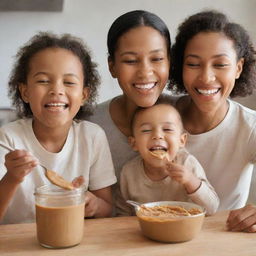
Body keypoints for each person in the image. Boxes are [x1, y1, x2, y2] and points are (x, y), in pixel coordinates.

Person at [0, 32, 117, 224]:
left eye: (69, 82)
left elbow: (107, 209)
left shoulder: (92, 136)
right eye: (43, 81)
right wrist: (12, 177)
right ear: (25, 92)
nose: (57, 90)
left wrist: (92, 204)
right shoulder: (10, 138)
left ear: (84, 95)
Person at [169, 10, 256, 232]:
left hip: (223, 239)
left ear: (238, 68)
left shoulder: (249, 126)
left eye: (220, 65)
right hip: (160, 233)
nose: (206, 77)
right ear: (180, 67)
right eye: (194, 64)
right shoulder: (160, 114)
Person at [89, 10, 171, 185]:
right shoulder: (89, 124)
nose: (145, 72)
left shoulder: (183, 113)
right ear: (112, 66)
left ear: (169, 63)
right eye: (131, 61)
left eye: (156, 58)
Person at [116, 97, 219, 216]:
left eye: (167, 129)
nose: (158, 135)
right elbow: (122, 214)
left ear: (182, 140)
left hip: (182, 229)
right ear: (134, 143)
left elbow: (212, 208)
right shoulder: (129, 172)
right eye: (146, 130)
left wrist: (191, 181)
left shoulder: (186, 163)